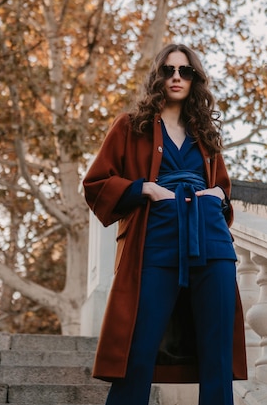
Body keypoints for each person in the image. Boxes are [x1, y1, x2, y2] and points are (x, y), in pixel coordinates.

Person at [83, 43, 247, 405]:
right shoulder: (130, 126)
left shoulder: (205, 133)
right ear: (158, 76)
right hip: (153, 242)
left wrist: (219, 197)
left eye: (184, 71)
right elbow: (95, 183)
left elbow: (222, 188)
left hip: (212, 243)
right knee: (138, 349)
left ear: (194, 79)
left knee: (217, 358)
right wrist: (145, 189)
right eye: (169, 70)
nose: (176, 77)